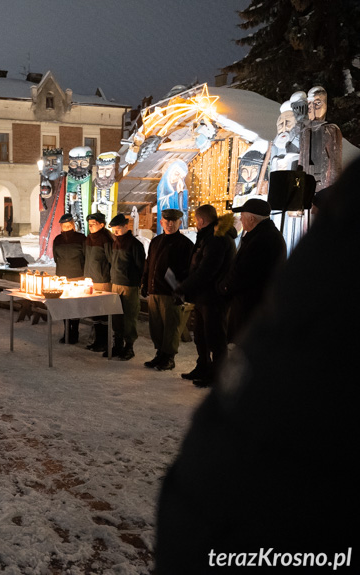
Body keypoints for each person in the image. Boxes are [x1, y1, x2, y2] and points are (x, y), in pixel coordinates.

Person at [156, 160, 360, 575]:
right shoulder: (249, 239)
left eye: (246, 215)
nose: (243, 219)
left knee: (218, 342)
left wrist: (219, 289)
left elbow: (241, 275)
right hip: (228, 519)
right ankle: (205, 368)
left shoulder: (305, 248)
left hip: (247, 532)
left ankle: (211, 369)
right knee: (208, 342)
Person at [175, 205, 236, 387]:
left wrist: (183, 287)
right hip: (203, 296)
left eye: (195, 219)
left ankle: (217, 375)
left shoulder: (217, 239)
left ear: (201, 220)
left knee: (215, 338)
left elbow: (207, 270)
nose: (195, 223)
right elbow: (198, 264)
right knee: (201, 335)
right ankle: (203, 366)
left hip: (214, 297)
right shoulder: (208, 237)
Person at [221, 199, 287, 343]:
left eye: (242, 216)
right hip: (251, 302)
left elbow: (244, 272)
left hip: (251, 306)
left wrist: (225, 287)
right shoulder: (264, 235)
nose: (240, 219)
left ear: (251, 218)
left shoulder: (262, 239)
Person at [140, 209, 194, 371]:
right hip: (155, 290)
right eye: (167, 221)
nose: (170, 224)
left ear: (179, 223)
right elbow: (149, 264)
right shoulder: (156, 241)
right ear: (162, 222)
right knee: (156, 325)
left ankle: (169, 357)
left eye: (173, 221)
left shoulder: (185, 244)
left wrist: (181, 291)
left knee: (171, 326)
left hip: (171, 293)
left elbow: (188, 271)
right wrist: (145, 283)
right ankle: (160, 353)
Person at [107, 214, 145, 360]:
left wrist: (137, 281)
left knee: (129, 316)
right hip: (115, 283)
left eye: (117, 229)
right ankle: (117, 344)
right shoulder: (115, 242)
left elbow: (140, 266)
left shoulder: (135, 244)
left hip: (129, 285)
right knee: (116, 316)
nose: (115, 232)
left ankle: (129, 346)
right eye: (113, 230)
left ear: (125, 227)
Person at [52, 213, 86, 344]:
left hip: (77, 277)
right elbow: (56, 258)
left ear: (72, 225)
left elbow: (85, 256)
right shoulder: (58, 240)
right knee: (65, 306)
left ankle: (74, 332)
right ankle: (67, 331)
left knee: (74, 305)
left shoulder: (81, 238)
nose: (66, 227)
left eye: (68, 225)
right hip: (62, 278)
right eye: (64, 225)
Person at [83, 212, 113, 352]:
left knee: (103, 312)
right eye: (89, 224)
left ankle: (104, 342)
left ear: (102, 224)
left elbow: (110, 260)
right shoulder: (89, 238)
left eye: (93, 224)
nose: (91, 226)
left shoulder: (106, 239)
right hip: (90, 280)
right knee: (95, 312)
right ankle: (96, 340)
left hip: (102, 280)